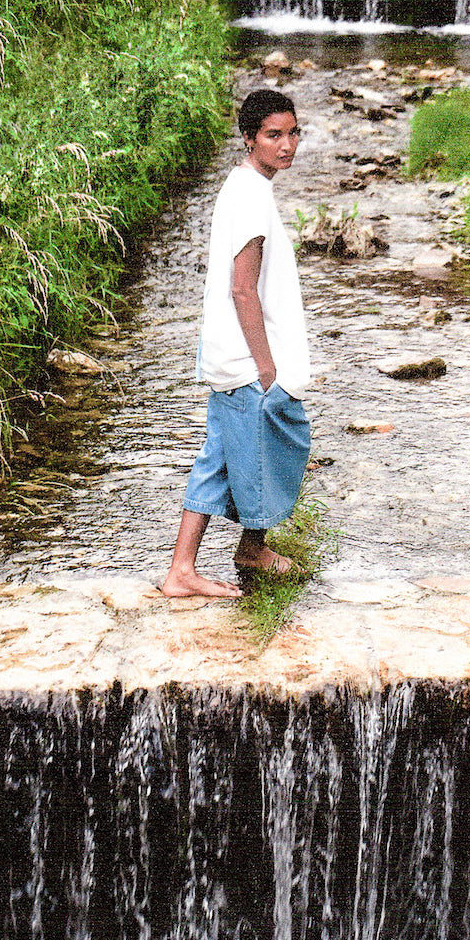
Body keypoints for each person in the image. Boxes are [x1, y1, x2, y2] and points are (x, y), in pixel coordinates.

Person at [161, 89, 311, 598]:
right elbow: (242, 288)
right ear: (250, 138)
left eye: (293, 133)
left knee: (225, 457)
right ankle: (186, 569)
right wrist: (268, 369)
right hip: (247, 362)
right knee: (276, 444)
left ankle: (240, 551)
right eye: (274, 135)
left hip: (234, 355)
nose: (287, 145)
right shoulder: (249, 196)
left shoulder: (248, 185)